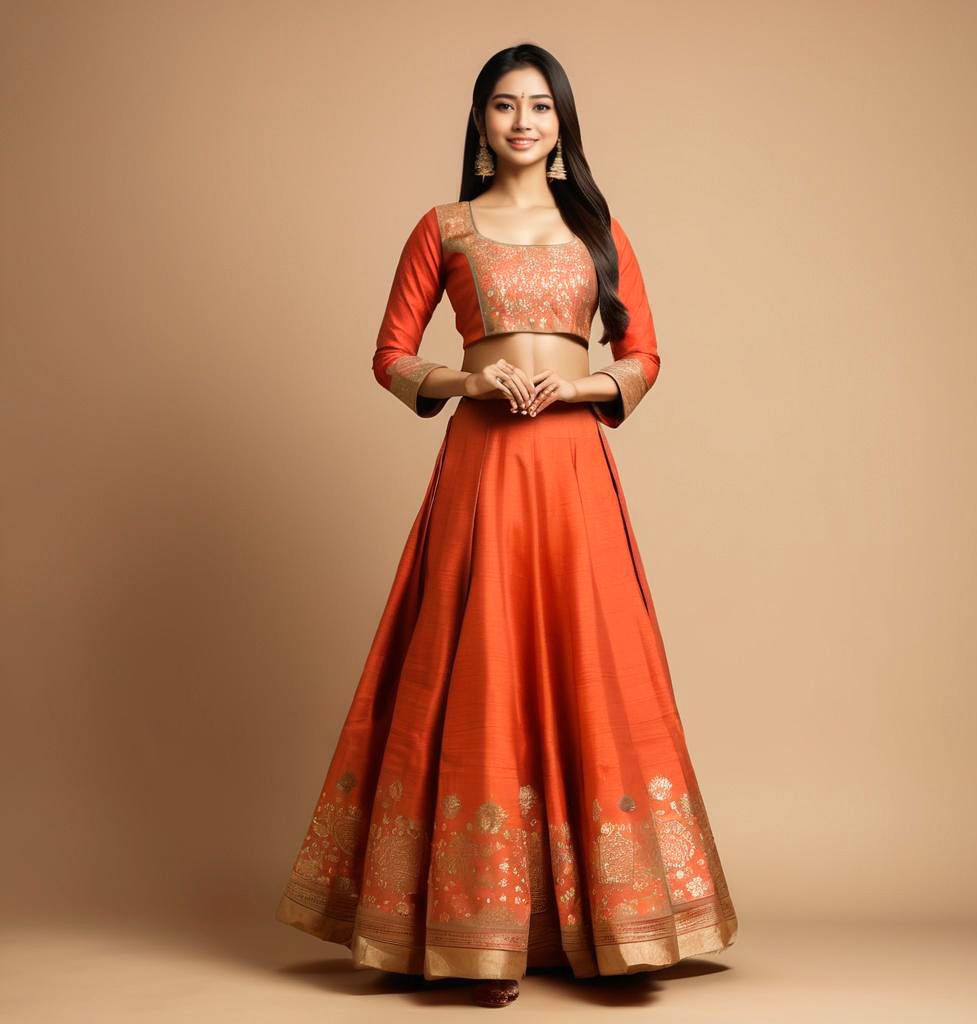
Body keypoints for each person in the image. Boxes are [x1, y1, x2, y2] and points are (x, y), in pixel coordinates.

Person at [275, 43, 738, 1009]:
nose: (522, 121)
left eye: (539, 105)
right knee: (477, 668)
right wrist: (470, 379)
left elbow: (645, 353)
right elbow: (391, 355)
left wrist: (583, 386)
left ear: (562, 123)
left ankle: (621, 932)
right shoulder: (444, 227)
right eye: (503, 106)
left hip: (572, 474)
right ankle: (470, 936)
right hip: (483, 465)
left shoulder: (596, 229)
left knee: (592, 666)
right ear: (480, 124)